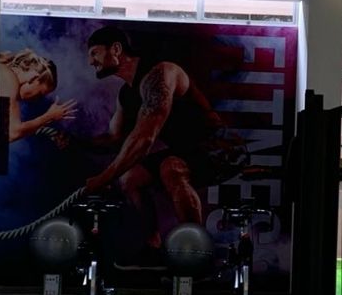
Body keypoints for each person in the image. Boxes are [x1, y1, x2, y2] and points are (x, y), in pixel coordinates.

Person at [83, 26, 247, 247]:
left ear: (116, 49)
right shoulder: (126, 95)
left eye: (94, 53)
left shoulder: (161, 73)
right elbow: (114, 139)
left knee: (171, 167)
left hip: (223, 146)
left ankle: (195, 251)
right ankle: (153, 248)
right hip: (185, 151)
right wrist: (74, 142)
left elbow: (144, 139)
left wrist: (103, 178)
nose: (90, 61)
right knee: (131, 179)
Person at [0, 49, 77, 142]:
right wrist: (48, 117)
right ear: (34, 77)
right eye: (39, 94)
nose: (35, 99)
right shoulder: (9, 78)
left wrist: (47, 125)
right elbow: (11, 134)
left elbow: (2, 133)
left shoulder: (2, 73)